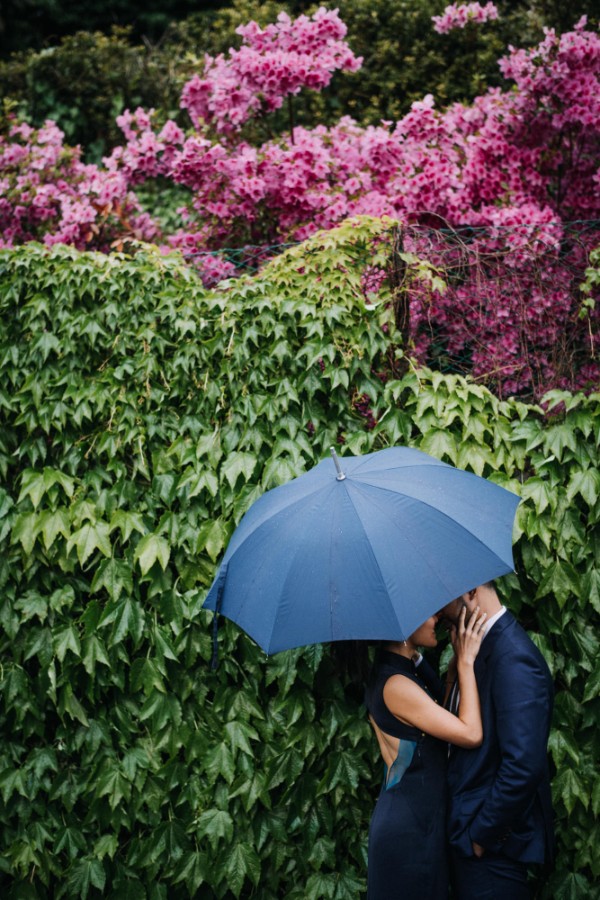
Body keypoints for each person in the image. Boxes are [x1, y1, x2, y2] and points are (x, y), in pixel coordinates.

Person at [440, 582, 554, 900]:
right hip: (470, 842)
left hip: (492, 853)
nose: (437, 610)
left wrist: (481, 836)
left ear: (471, 590)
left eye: (443, 597)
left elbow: (523, 765)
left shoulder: (514, 657)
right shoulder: (476, 649)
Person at [364, 606, 487, 899]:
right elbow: (470, 734)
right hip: (408, 832)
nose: (438, 618)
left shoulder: (399, 671)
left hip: (418, 822)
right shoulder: (396, 684)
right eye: (429, 613)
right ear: (403, 621)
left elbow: (435, 726)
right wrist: (467, 664)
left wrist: (453, 672)